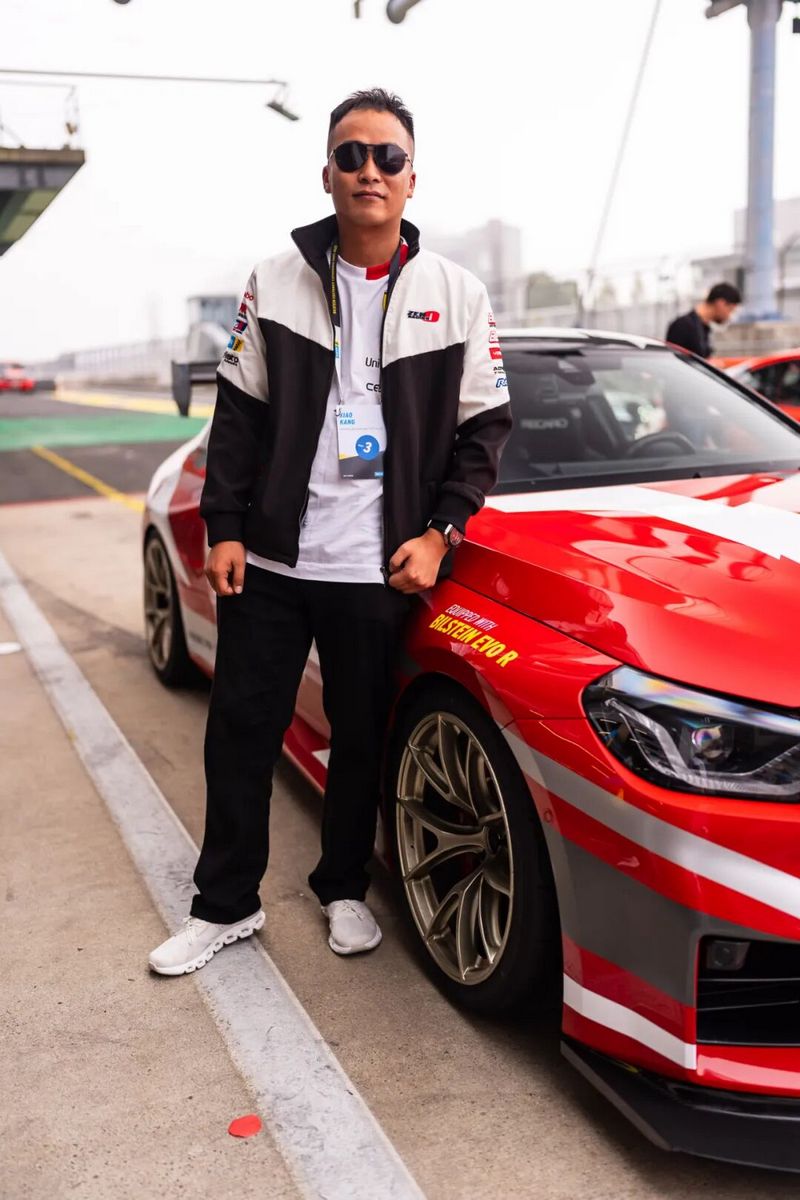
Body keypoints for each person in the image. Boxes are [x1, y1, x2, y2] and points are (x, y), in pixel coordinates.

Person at [148, 89, 513, 976]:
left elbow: (484, 430)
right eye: (351, 155)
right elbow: (239, 415)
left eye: (388, 157)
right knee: (241, 733)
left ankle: (344, 887)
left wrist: (441, 533)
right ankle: (224, 905)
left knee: (360, 739)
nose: (369, 171)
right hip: (273, 561)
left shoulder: (456, 294)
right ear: (327, 174)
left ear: (413, 179)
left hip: (375, 568)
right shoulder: (274, 280)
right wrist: (225, 526)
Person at [665, 282, 741, 359]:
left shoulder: (703, 328)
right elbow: (673, 360)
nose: (729, 316)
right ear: (720, 303)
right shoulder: (683, 326)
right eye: (730, 310)